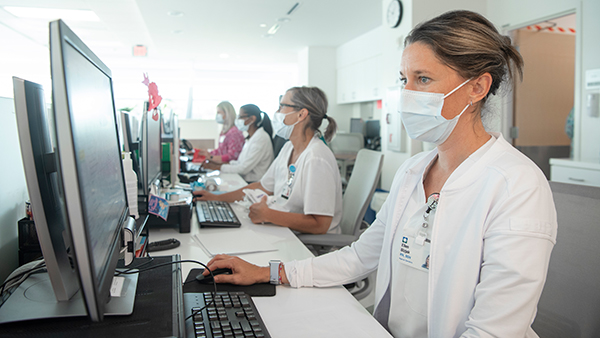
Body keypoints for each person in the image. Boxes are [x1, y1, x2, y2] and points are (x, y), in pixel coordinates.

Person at [198, 10, 558, 338]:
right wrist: (270, 272)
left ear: (477, 88)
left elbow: (494, 332)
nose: (406, 93)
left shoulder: (516, 186)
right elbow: (359, 257)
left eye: (423, 78)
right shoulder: (414, 170)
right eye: (404, 79)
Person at [194, 86, 343, 235]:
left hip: (310, 245)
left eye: (282, 106)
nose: (277, 113)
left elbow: (320, 224)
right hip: (286, 230)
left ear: (301, 114)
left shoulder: (316, 158)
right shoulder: (289, 147)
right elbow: (262, 186)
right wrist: (217, 198)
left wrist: (268, 215)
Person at [203, 104, 274, 182]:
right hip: (245, 178)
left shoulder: (261, 138)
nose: (237, 120)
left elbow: (243, 168)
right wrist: (218, 165)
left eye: (240, 117)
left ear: (252, 119)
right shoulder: (252, 137)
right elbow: (240, 163)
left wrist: (217, 167)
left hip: (253, 182)